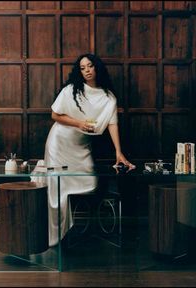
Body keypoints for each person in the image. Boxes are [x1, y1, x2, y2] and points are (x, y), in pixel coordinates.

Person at [43, 53, 135, 246]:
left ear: (97, 68)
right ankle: (58, 237)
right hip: (59, 143)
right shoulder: (71, 90)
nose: (87, 71)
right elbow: (55, 115)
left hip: (81, 147)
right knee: (58, 189)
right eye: (83, 68)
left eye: (90, 66)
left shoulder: (108, 97)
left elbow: (112, 124)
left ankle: (74, 230)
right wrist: (79, 123)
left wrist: (119, 152)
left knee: (89, 183)